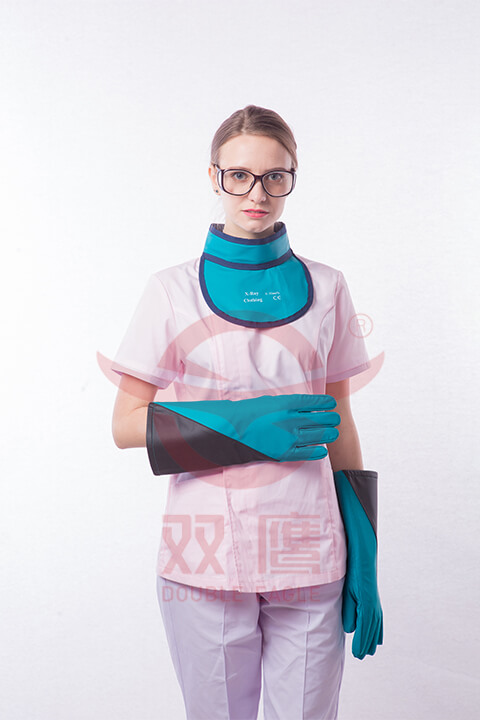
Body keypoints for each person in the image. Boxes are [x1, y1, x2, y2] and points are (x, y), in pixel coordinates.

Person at [111, 105, 382, 720]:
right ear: (214, 177)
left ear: (293, 178)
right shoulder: (171, 291)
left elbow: (341, 422)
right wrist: (241, 427)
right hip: (205, 556)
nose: (257, 194)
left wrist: (365, 551)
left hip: (310, 552)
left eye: (275, 176)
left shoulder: (329, 287)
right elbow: (125, 425)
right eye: (239, 175)